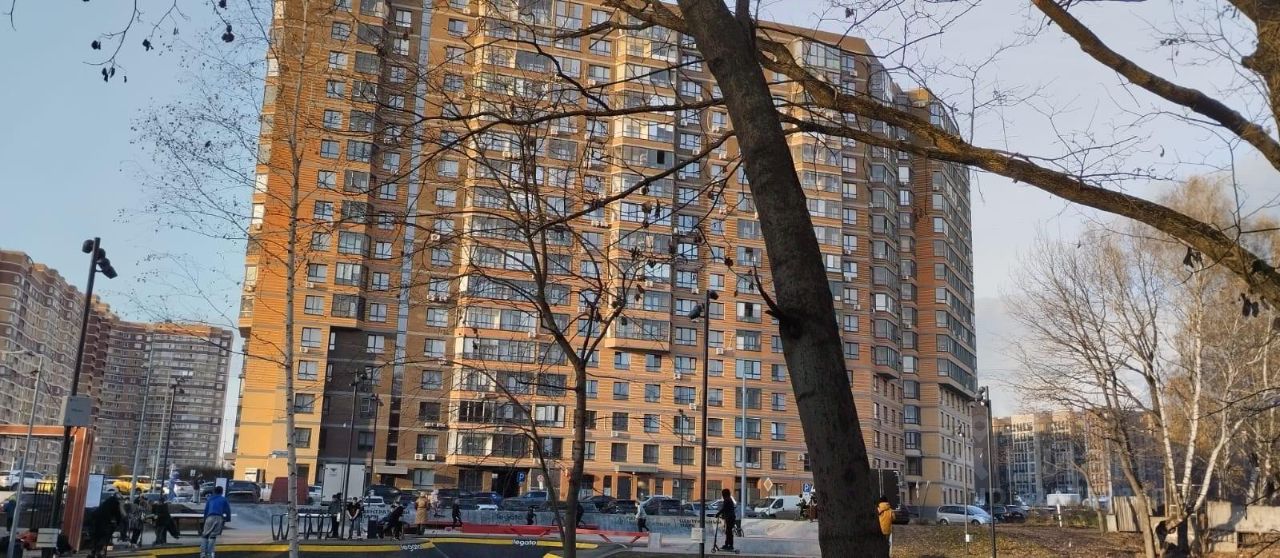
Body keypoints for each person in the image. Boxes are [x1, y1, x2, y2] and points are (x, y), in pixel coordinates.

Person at [87, 494, 124, 558]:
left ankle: (92, 552)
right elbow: (117, 514)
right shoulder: (116, 503)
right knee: (105, 536)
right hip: (104, 521)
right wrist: (118, 523)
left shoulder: (106, 501)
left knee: (96, 536)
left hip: (95, 520)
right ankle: (99, 552)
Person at [200, 486, 232, 558]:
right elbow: (228, 510)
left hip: (210, 517)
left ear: (214, 492)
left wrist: (205, 520)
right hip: (219, 518)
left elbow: (206, 510)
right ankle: (209, 554)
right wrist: (228, 519)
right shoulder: (224, 499)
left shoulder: (210, 499)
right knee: (213, 536)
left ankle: (203, 554)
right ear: (222, 492)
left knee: (205, 535)